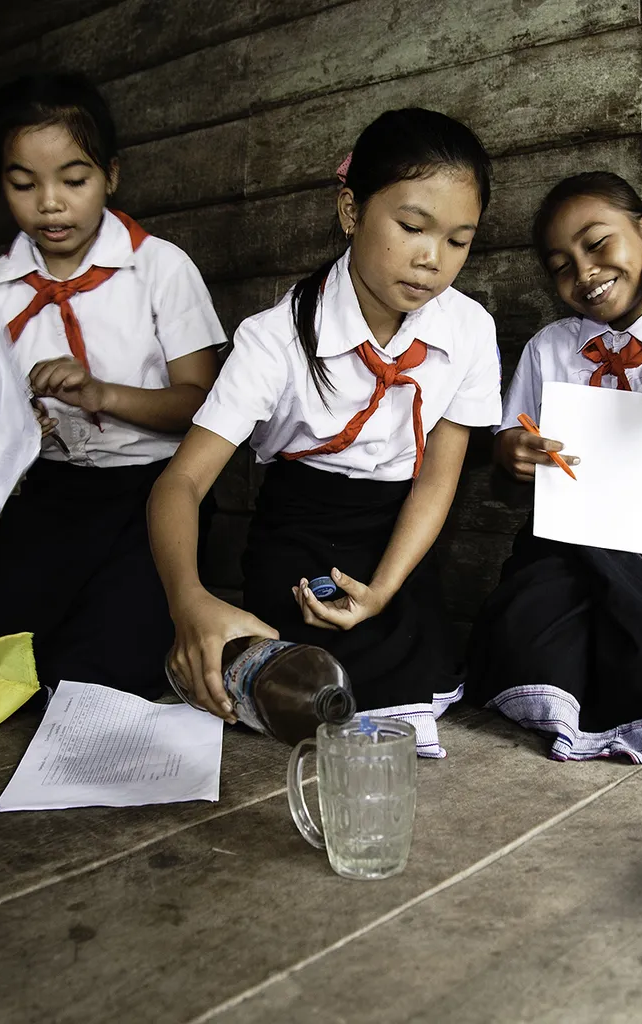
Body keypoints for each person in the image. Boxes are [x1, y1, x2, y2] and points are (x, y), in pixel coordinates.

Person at [149, 108, 500, 757]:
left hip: (401, 535)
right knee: (293, 678)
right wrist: (189, 601)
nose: (432, 259)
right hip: (300, 526)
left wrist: (386, 589)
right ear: (350, 211)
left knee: (406, 671)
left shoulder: (470, 329)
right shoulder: (274, 339)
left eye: (458, 240)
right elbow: (181, 482)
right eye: (412, 226)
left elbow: (438, 475)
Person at [0, 72, 226, 696]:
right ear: (2, 184)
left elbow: (200, 404)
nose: (50, 202)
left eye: (74, 181)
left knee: (100, 678)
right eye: (24, 184)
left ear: (112, 175)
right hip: (54, 493)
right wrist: (16, 419)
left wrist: (103, 395)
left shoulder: (160, 267)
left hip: (152, 495)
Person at [467, 171, 642, 763]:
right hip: (558, 545)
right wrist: (511, 458)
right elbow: (505, 484)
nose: (584, 273)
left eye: (597, 245)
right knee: (517, 644)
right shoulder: (550, 348)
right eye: (561, 266)